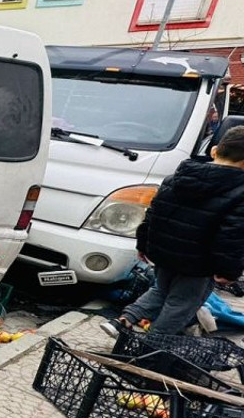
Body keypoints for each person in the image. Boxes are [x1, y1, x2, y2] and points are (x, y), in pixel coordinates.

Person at [103, 128, 244, 337]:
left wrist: (143, 244)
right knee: (181, 304)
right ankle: (152, 344)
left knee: (160, 290)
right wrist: (229, 271)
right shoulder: (239, 191)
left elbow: (153, 213)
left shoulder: (177, 177)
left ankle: (123, 321)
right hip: (199, 264)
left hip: (164, 253)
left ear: (214, 151)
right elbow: (232, 236)